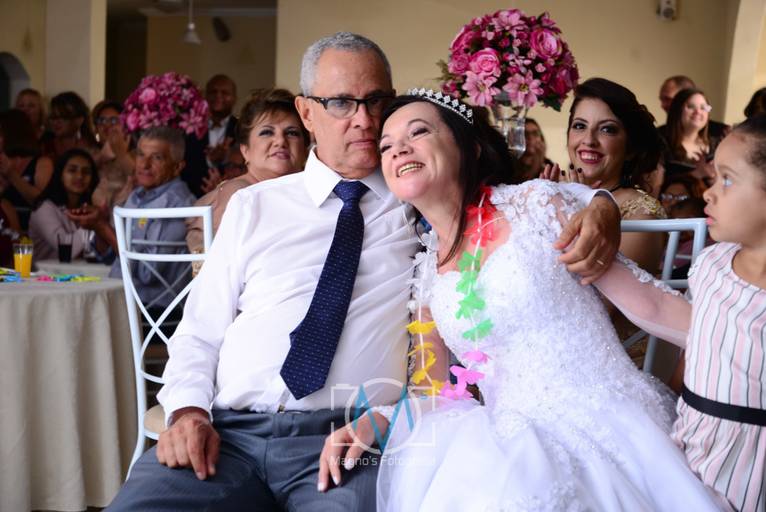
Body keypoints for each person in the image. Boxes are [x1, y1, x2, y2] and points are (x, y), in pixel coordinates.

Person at [107, 32, 621, 511]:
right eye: (340, 103)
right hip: (229, 434)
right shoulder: (255, 206)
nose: (364, 120)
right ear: (306, 112)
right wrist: (188, 412)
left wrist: (603, 203)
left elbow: (518, 201)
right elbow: (199, 332)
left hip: (353, 439)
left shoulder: (421, 200)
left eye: (376, 100)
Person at [371, 90, 722, 512]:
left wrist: (741, 339)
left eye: (418, 132)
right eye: (386, 146)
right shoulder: (427, 271)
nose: (399, 149)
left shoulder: (534, 204)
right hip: (510, 445)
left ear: (470, 146)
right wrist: (379, 419)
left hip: (606, 422)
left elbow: (650, 305)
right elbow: (432, 386)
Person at [595, 115, 766, 511]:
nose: (709, 193)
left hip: (750, 469)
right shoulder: (713, 264)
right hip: (691, 443)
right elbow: (696, 338)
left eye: (727, 180)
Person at [542, 78, 667, 273]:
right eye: (580, 126)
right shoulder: (553, 192)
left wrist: (562, 211)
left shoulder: (642, 215)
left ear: (630, 149)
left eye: (607, 129)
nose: (589, 140)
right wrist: (543, 207)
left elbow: (610, 293)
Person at [68, 126, 195, 312]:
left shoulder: (177, 204)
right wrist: (98, 226)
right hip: (123, 300)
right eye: (141, 155)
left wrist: (104, 228)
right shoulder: (137, 195)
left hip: (154, 310)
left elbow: (147, 273)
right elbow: (111, 257)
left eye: (157, 158)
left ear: (177, 167)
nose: (144, 165)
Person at [186, 88, 310, 257]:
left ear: (305, 149)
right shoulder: (239, 193)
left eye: (292, 133)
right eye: (267, 132)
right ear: (245, 150)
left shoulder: (315, 193)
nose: (280, 141)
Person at [28, 149, 99, 261]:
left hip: (83, 270)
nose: (80, 176)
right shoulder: (44, 208)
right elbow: (67, 249)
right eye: (72, 170)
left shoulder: (88, 206)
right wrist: (94, 222)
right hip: (45, 272)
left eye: (86, 172)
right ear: (60, 174)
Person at [182, 74, 240, 197]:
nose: (218, 96)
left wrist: (226, 157)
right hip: (192, 196)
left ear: (234, 98)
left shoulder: (242, 128)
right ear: (205, 96)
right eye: (213, 92)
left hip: (231, 196)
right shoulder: (190, 127)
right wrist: (209, 160)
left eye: (225, 93)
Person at [0, 109, 54, 229]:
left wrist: (12, 175)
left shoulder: (42, 162)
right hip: (6, 229)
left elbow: (42, 202)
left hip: (34, 230)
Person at [91, 100, 135, 210]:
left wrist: (120, 154)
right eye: (101, 120)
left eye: (114, 120)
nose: (107, 125)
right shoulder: (90, 154)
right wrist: (101, 158)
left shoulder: (138, 154)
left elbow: (140, 180)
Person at [657, 75, 728, 142]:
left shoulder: (723, 134)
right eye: (662, 100)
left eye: (668, 99)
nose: (663, 105)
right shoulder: (658, 136)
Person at [42, 91, 98, 161]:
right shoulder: (46, 145)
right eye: (53, 117)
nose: (56, 122)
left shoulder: (90, 148)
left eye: (64, 117)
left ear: (79, 120)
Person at [517, 118, 552, 182]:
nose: (530, 138)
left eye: (535, 134)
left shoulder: (550, 169)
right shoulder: (507, 167)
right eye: (524, 134)